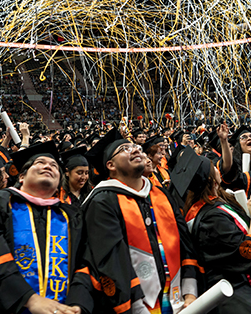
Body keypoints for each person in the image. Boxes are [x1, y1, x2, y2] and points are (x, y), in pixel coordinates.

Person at [79, 129, 200, 314]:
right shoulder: (102, 202)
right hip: (136, 306)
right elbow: (111, 261)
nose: (135, 149)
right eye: (125, 149)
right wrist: (136, 307)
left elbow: (185, 243)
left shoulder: (160, 194)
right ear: (110, 165)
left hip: (179, 300)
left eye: (136, 147)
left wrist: (190, 293)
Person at [0, 141, 87, 314]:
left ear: (58, 182)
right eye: (40, 163)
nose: (48, 167)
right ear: (21, 177)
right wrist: (28, 298)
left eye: (54, 166)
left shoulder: (72, 216)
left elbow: (84, 263)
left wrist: (78, 304)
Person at [181, 147, 251, 314]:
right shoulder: (211, 218)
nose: (217, 168)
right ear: (211, 179)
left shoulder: (213, 204)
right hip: (241, 293)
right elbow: (249, 251)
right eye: (214, 167)